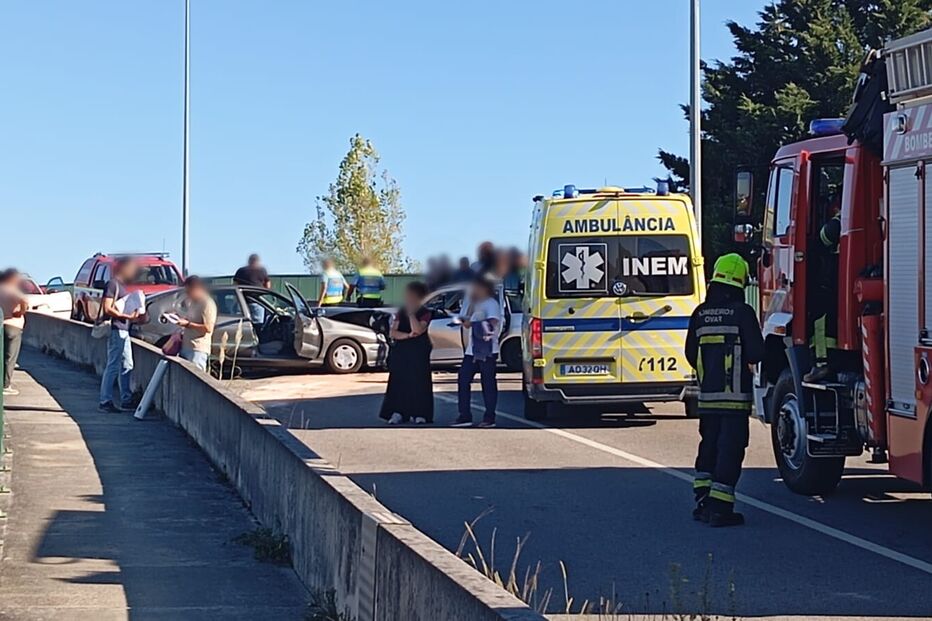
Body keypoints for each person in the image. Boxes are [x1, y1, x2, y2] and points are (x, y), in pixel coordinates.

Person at [685, 253, 764, 527]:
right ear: (741, 282)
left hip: (707, 399)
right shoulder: (743, 313)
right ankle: (720, 508)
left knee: (709, 446)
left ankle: (703, 501)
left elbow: (689, 353)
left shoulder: (700, 314)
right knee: (730, 449)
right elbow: (756, 351)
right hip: (734, 401)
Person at [379, 282, 433, 425]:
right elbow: (393, 332)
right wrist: (406, 336)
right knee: (399, 381)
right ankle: (398, 412)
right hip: (402, 350)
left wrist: (411, 314)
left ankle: (420, 413)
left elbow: (418, 329)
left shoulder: (425, 312)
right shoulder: (400, 312)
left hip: (419, 351)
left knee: (419, 381)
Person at [453, 276, 502, 428]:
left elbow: (493, 322)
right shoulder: (472, 302)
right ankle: (464, 415)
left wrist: (475, 323)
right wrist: (469, 310)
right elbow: (466, 323)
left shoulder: (491, 303)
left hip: (487, 349)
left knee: (487, 383)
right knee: (463, 380)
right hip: (472, 350)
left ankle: (489, 417)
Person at [99, 257, 146, 413]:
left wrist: (138, 316)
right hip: (116, 329)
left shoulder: (125, 287)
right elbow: (107, 308)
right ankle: (105, 401)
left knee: (127, 365)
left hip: (125, 331)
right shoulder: (112, 284)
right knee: (113, 365)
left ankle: (126, 399)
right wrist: (126, 317)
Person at [804, 203, 841, 383]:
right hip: (838, 286)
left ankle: (821, 363)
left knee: (819, 322)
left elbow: (821, 240)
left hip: (831, 285)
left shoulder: (838, 223)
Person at [176, 276, 217, 372]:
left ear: (196, 288)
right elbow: (192, 319)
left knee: (194, 377)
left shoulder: (207, 303)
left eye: (188, 291)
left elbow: (208, 328)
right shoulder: (194, 302)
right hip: (186, 346)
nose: (187, 294)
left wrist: (188, 324)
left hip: (198, 349)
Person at [0, 269, 27, 396]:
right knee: (10, 357)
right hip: (13, 325)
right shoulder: (11, 289)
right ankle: (5, 385)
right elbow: (25, 301)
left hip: (1, 324)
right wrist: (20, 312)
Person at [234, 254, 271, 326]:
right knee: (257, 326)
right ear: (257, 261)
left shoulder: (241, 271)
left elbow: (235, 285)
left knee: (239, 325)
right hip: (257, 302)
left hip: (241, 302)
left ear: (249, 261)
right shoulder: (262, 270)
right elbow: (268, 286)